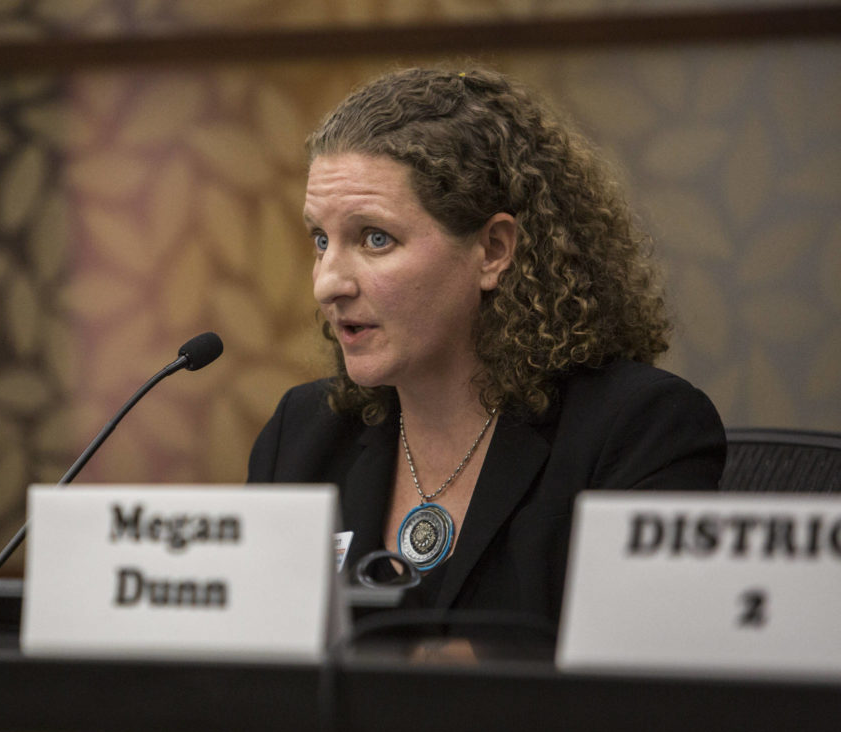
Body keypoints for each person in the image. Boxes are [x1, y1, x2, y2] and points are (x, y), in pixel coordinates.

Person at [247, 67, 725, 630]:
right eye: (321, 241)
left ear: (494, 250)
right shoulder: (303, 434)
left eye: (375, 238)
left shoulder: (636, 431)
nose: (328, 283)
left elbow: (643, 684)